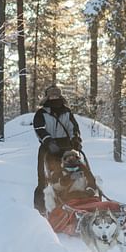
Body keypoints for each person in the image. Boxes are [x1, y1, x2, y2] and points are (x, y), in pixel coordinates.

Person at [33, 85, 83, 214]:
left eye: (56, 95)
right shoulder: (41, 113)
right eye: (52, 95)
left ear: (60, 96)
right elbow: (39, 129)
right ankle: (41, 210)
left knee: (73, 173)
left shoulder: (67, 112)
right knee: (44, 179)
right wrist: (48, 141)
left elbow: (74, 128)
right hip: (47, 148)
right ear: (47, 97)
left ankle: (73, 201)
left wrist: (76, 140)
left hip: (66, 147)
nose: (54, 97)